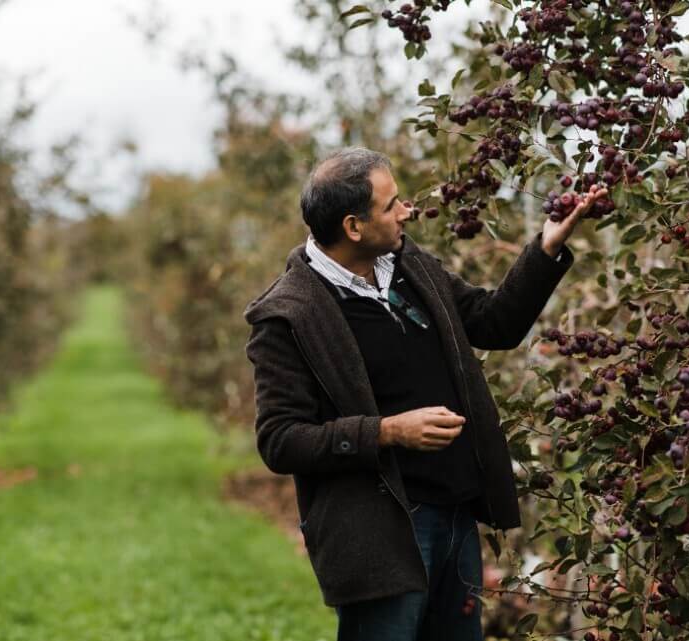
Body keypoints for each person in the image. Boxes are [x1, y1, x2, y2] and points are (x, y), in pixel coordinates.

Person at [243, 147, 605, 641]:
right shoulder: (288, 316)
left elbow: (493, 323)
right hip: (379, 535)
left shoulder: (409, 266)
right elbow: (281, 441)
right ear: (353, 226)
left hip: (454, 516)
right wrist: (389, 432)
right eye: (392, 205)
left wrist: (545, 249)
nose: (406, 211)